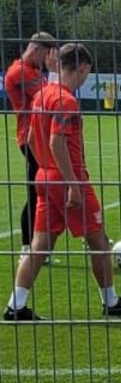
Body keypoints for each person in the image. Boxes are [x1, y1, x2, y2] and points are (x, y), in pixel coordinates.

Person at [5, 43, 121, 321]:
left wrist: (46, 167)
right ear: (82, 68)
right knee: (99, 240)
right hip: (68, 180)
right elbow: (55, 141)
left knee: (39, 245)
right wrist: (71, 183)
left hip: (44, 176)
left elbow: (31, 138)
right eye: (87, 73)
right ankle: (111, 302)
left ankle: (15, 306)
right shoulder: (66, 100)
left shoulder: (42, 95)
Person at [4, 32, 59, 263]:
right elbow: (49, 97)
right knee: (37, 192)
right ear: (37, 50)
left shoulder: (33, 71)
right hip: (30, 139)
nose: (48, 61)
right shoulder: (19, 72)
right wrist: (54, 72)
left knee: (46, 190)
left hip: (41, 136)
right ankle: (28, 248)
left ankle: (36, 247)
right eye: (47, 55)